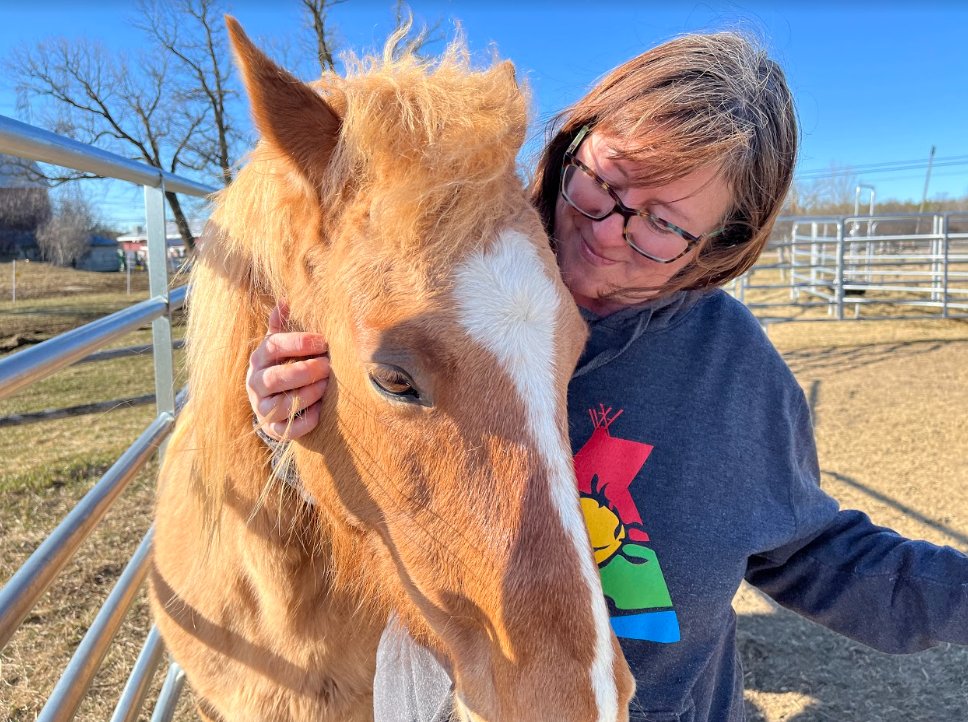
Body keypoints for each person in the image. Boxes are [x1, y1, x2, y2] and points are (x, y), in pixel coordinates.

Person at [244, 31, 968, 722]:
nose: (607, 231)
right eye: (603, 182)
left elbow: (809, 550)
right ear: (570, 148)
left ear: (716, 247)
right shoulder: (444, 289)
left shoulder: (731, 369)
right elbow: (349, 483)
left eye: (662, 223)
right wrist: (286, 418)